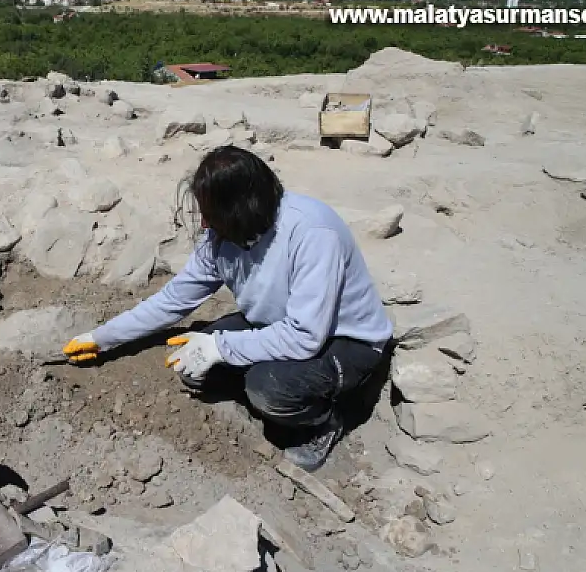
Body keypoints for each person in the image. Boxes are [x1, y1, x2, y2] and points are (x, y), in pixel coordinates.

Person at [62, 145, 393, 471]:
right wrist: (102, 337)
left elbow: (305, 336)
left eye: (212, 214)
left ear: (241, 208)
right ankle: (264, 391)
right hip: (275, 324)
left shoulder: (312, 232)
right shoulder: (224, 235)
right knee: (193, 369)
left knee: (269, 388)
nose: (205, 223)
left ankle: (324, 422)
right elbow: (174, 299)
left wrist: (222, 346)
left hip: (344, 341)